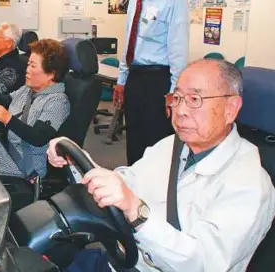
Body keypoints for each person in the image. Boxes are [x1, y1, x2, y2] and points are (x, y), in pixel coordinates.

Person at [47, 59, 275, 272]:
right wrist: (79, 163)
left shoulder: (250, 184)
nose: (181, 110)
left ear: (231, 108)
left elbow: (204, 263)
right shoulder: (173, 145)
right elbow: (127, 180)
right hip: (125, 258)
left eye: (195, 99)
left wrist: (136, 211)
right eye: (177, 98)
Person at [113, 0, 189, 165]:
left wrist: (174, 91)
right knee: (134, 139)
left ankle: (154, 196)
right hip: (135, 78)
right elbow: (129, 42)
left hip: (158, 80)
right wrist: (122, 80)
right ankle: (132, 189)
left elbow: (178, 49)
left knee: (156, 143)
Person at [0, 39, 70, 178]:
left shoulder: (57, 102)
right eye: (28, 64)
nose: (27, 70)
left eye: (33, 66)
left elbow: (38, 138)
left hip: (24, 162)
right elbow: (5, 100)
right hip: (4, 145)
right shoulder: (28, 89)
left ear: (51, 74)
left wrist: (8, 119)